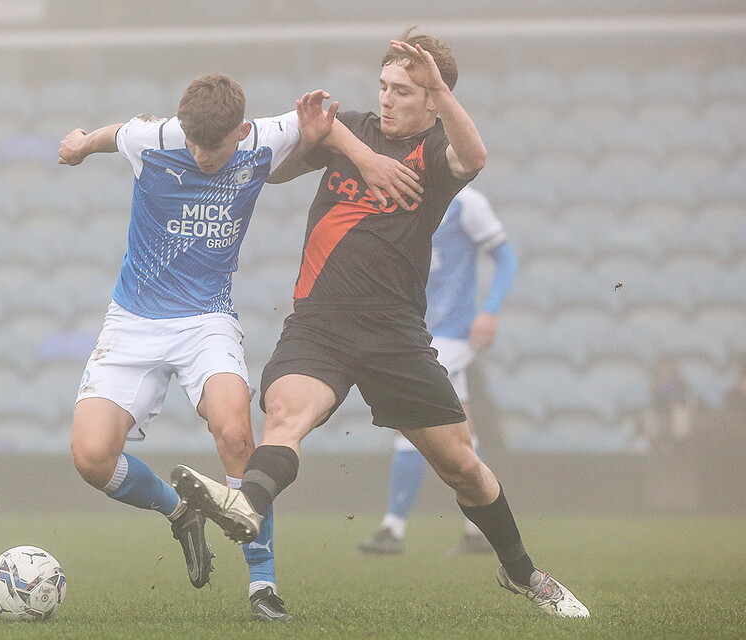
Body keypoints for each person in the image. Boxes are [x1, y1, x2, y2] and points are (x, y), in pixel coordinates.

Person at [172, 31, 589, 619]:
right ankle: (246, 505)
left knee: (462, 468)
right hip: (320, 323)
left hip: (396, 335)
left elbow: (475, 159)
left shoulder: (439, 154)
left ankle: (522, 573)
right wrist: (318, 133)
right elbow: (277, 173)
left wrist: (442, 93)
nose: (387, 99)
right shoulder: (356, 132)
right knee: (285, 416)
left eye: (403, 91)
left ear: (432, 101)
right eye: (383, 87)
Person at [58, 74, 421, 622]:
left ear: (242, 131)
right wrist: (81, 144)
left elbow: (322, 123)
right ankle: (179, 510)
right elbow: (114, 135)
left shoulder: (264, 137)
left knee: (233, 429)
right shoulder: (153, 138)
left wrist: (367, 159)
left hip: (206, 320)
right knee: (91, 458)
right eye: (196, 144)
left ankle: (262, 585)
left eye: (216, 146)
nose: (204, 158)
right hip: (133, 320)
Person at [358, 185, 518, 557]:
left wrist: (489, 310)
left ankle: (392, 529)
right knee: (461, 428)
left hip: (451, 333)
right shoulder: (397, 192)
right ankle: (479, 530)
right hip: (412, 328)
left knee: (411, 419)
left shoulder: (467, 202)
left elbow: (506, 257)